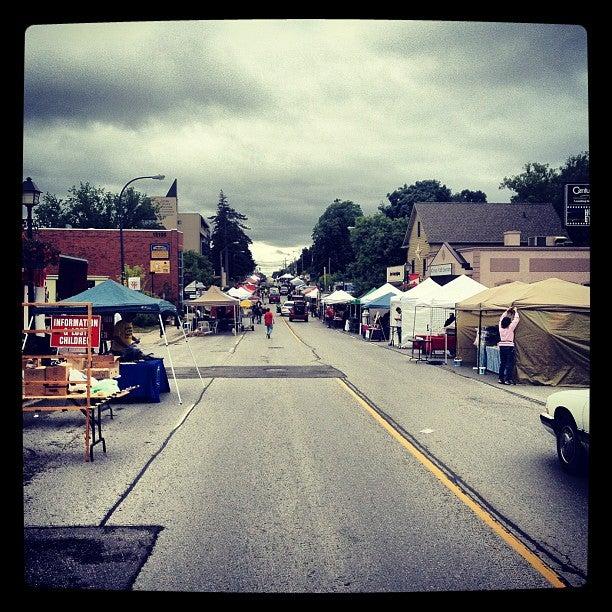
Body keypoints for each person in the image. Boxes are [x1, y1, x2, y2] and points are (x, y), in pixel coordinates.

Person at [498, 306, 520, 385]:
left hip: (502, 346)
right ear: (509, 323)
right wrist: (515, 311)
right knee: (510, 363)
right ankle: (507, 379)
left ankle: (501, 378)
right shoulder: (510, 328)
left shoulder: (501, 328)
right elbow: (516, 320)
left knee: (502, 363)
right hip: (509, 346)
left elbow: (501, 319)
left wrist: (506, 312)